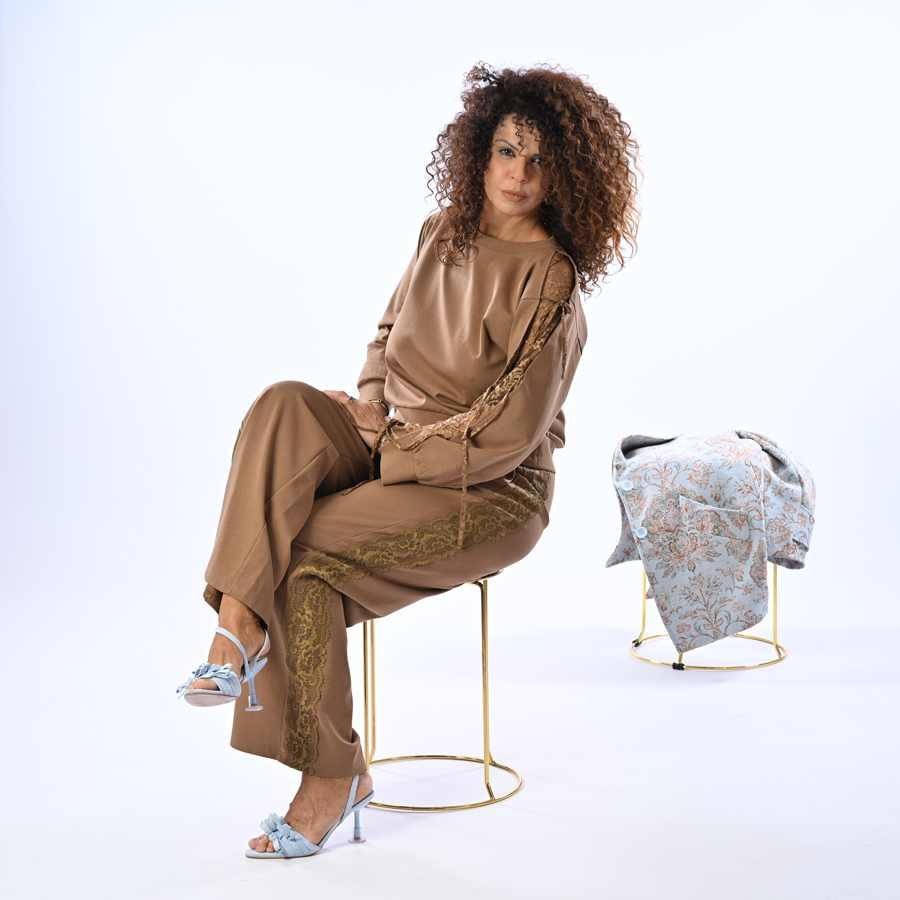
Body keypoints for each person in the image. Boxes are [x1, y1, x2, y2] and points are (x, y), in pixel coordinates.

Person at [175, 62, 640, 858]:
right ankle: (239, 623)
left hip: (488, 489)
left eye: (539, 161)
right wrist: (371, 409)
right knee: (282, 404)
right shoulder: (441, 231)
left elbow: (507, 430)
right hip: (397, 446)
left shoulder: (552, 279)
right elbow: (387, 337)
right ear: (479, 153)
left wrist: (390, 446)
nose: (519, 174)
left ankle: (330, 776)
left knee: (304, 558)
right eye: (506, 152)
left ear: (563, 176)